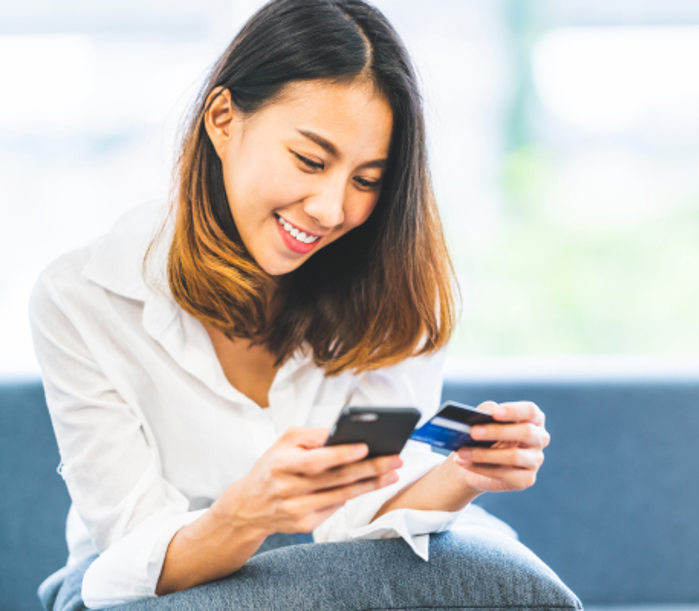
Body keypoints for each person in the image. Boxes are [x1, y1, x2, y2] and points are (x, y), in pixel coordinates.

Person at [28, 1, 581, 609]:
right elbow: (130, 562)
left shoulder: (392, 292)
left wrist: (460, 478)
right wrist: (246, 514)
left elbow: (359, 522)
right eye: (310, 161)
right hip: (157, 575)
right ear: (222, 119)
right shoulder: (82, 298)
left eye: (367, 180)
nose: (330, 208)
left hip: (342, 560)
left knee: (489, 566)